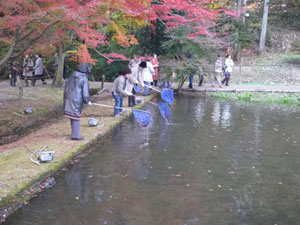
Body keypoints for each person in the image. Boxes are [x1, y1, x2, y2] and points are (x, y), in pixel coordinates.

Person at [63, 63, 92, 140]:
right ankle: (76, 136)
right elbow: (85, 93)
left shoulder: (72, 76)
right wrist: (87, 101)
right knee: (76, 117)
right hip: (76, 100)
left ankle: (74, 133)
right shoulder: (84, 79)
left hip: (68, 98)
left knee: (71, 116)